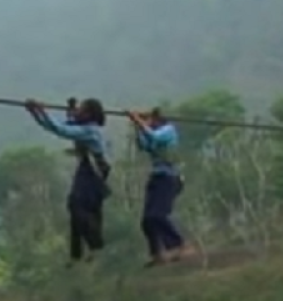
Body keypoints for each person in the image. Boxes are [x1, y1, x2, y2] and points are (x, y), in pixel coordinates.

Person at [25, 98, 111, 265]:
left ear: (89, 115)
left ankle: (95, 245)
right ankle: (77, 254)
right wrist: (35, 113)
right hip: (87, 169)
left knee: (77, 206)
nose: (78, 112)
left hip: (94, 172)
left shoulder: (90, 130)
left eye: (81, 110)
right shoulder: (83, 126)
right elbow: (53, 126)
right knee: (78, 208)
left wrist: (41, 111)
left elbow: (61, 129)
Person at [127, 107, 185, 266]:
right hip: (157, 177)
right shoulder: (152, 132)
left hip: (169, 178)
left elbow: (155, 137)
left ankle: (178, 244)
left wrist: (138, 121)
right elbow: (144, 145)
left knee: (158, 216)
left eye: (149, 120)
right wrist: (137, 126)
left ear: (156, 119)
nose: (148, 123)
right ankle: (157, 254)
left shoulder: (168, 130)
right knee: (147, 220)